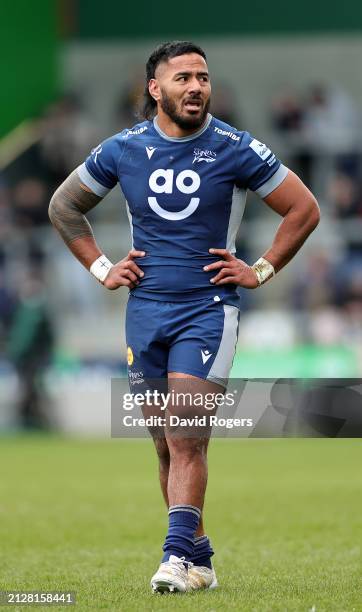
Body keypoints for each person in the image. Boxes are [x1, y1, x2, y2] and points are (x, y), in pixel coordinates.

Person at [48, 41, 320, 594]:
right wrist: (102, 267)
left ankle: (173, 559)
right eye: (183, 78)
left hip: (208, 310)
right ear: (155, 89)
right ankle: (201, 559)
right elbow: (63, 206)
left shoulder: (235, 147)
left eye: (203, 77)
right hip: (144, 311)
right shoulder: (123, 149)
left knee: (187, 433)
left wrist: (261, 269)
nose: (196, 87)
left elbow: (304, 208)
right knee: (164, 445)